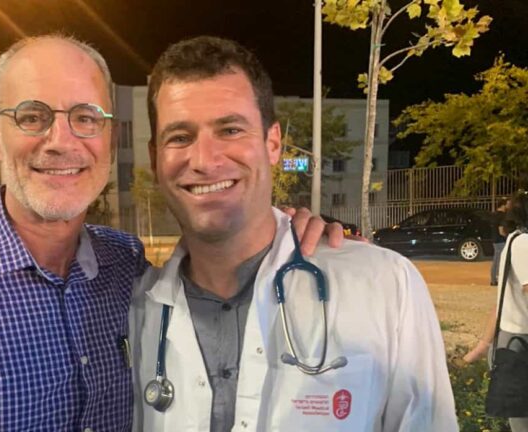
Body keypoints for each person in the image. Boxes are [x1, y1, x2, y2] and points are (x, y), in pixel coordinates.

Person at [0, 35, 340, 431]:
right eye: (32, 117)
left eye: (85, 118)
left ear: (110, 138)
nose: (61, 142)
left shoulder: (127, 268)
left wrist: (288, 231)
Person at [129, 36, 457, 431]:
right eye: (180, 137)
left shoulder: (385, 285)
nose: (204, 160)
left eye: (230, 130)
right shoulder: (134, 309)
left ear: (272, 144)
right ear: (155, 158)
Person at [463, 190, 528, 431]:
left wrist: (480, 348)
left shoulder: (517, 241)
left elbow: (501, 303)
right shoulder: (523, 243)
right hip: (519, 345)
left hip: (513, 342)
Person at [491, 198, 511, 286]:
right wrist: (508, 237)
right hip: (501, 240)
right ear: (503, 205)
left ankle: (494, 279)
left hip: (495, 239)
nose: (509, 206)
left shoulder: (494, 214)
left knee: (496, 260)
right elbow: (501, 230)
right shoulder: (502, 216)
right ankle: (497, 279)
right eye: (507, 204)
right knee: (500, 260)